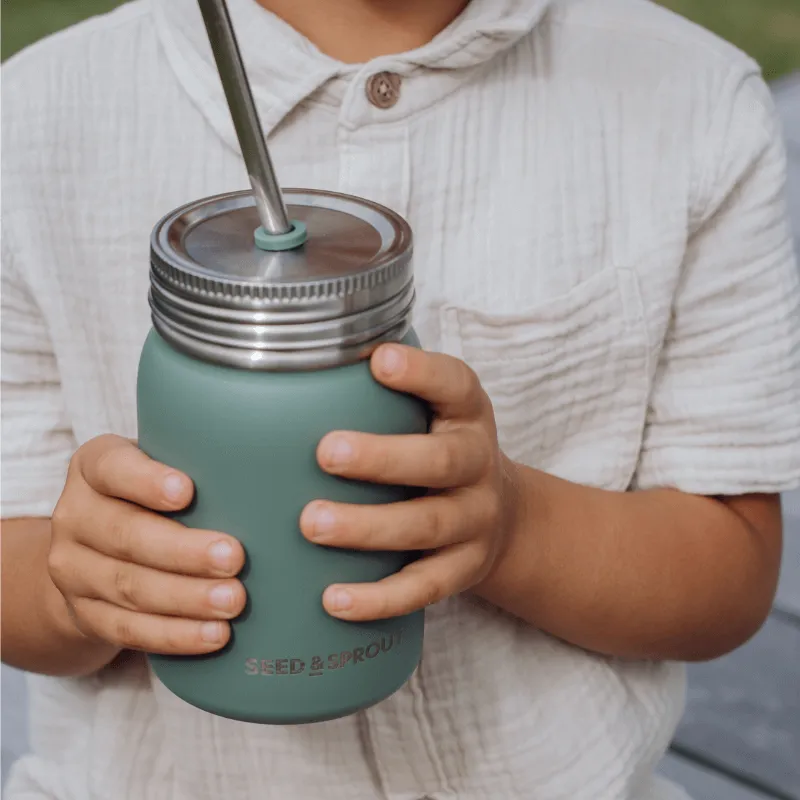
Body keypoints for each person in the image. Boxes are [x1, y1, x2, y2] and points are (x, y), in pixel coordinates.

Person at [2, 0, 799, 797]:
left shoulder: (694, 105)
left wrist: (515, 526)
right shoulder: (35, 120)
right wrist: (71, 590)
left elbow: (728, 574)